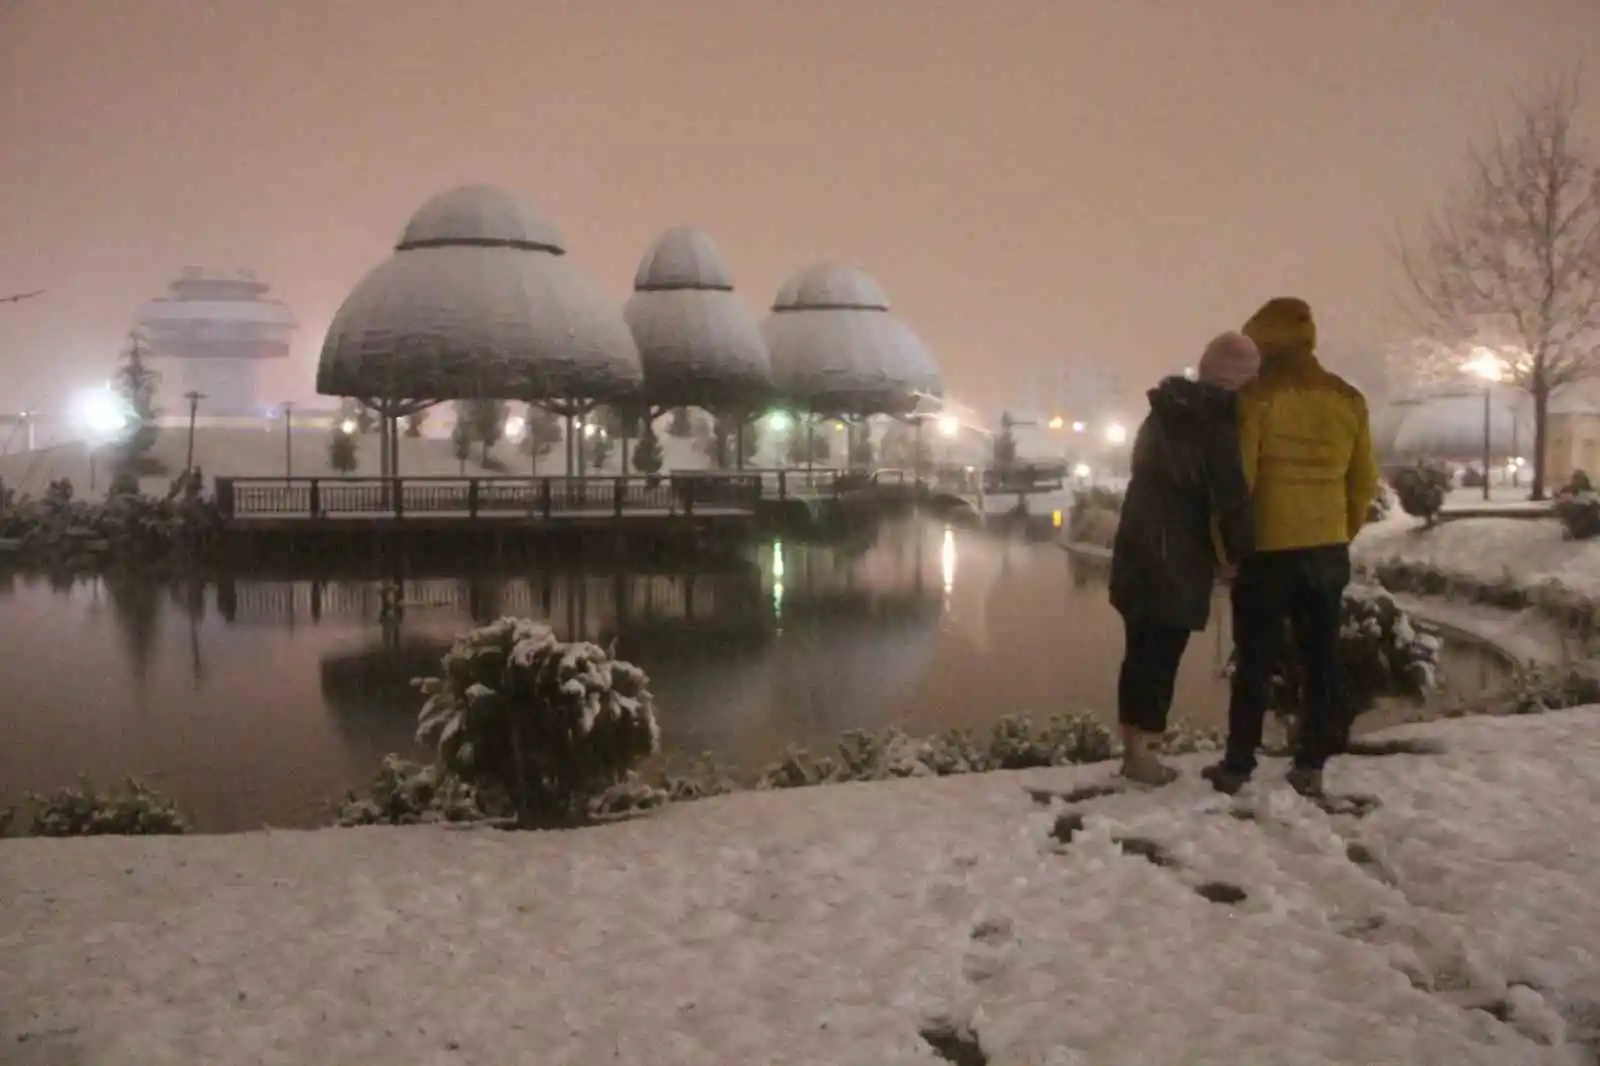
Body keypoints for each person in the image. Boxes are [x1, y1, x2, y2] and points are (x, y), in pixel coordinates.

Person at [1203, 297, 1380, 798]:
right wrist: (1341, 530)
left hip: (1269, 552)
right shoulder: (1348, 399)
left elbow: (1240, 482)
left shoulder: (1257, 398)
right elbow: (1363, 480)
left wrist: (1225, 548)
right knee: (1321, 657)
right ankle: (1312, 761)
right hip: (1326, 548)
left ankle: (1238, 765)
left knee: (1255, 659)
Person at [1108, 332, 1258, 785]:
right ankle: (1143, 756)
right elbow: (1230, 498)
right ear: (1236, 380)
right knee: (1161, 654)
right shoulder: (1214, 422)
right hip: (1176, 554)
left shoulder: (1164, 413)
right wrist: (1240, 554)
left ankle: (1133, 747)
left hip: (1136, 545)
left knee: (1139, 651)